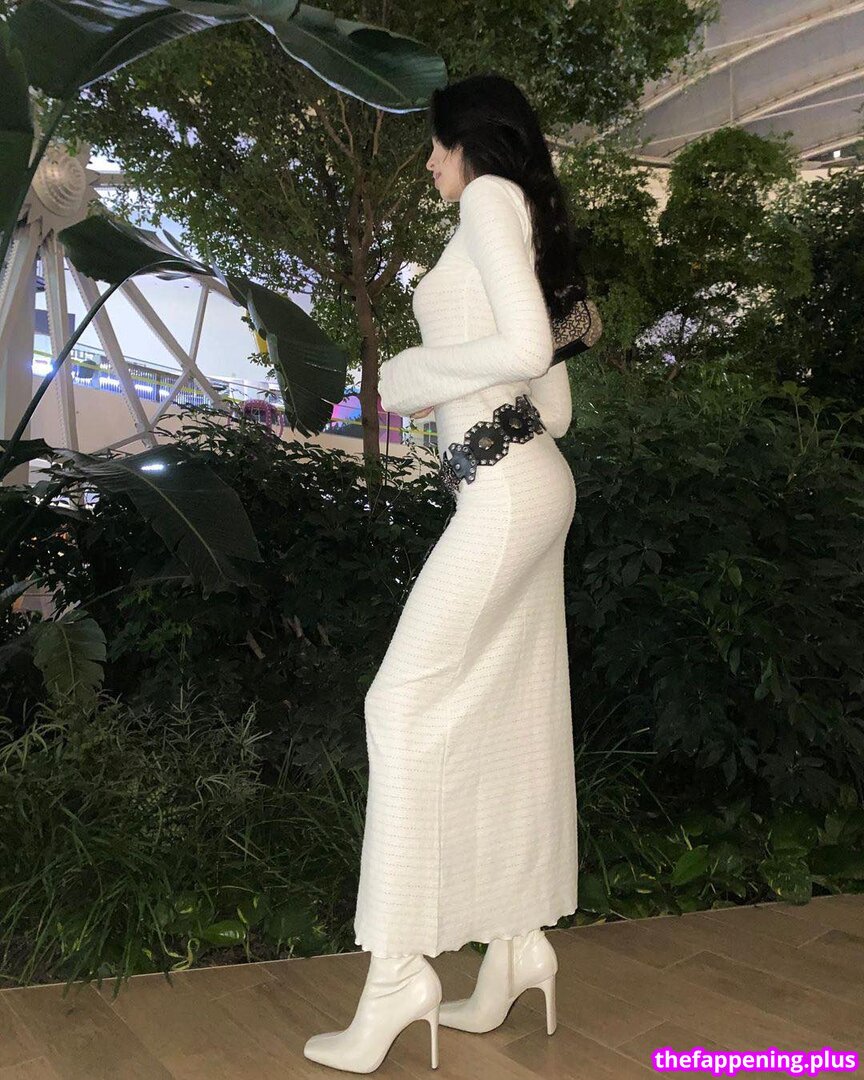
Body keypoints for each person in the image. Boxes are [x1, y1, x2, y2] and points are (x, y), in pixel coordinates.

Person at [304, 72, 581, 1073]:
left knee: (399, 703)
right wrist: (474, 386)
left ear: (471, 142)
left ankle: (397, 977)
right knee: (510, 708)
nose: (428, 162)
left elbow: (525, 345)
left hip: (505, 495)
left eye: (435, 144)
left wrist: (413, 378)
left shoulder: (491, 200)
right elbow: (554, 404)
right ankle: (515, 945)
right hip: (526, 482)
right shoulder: (517, 217)